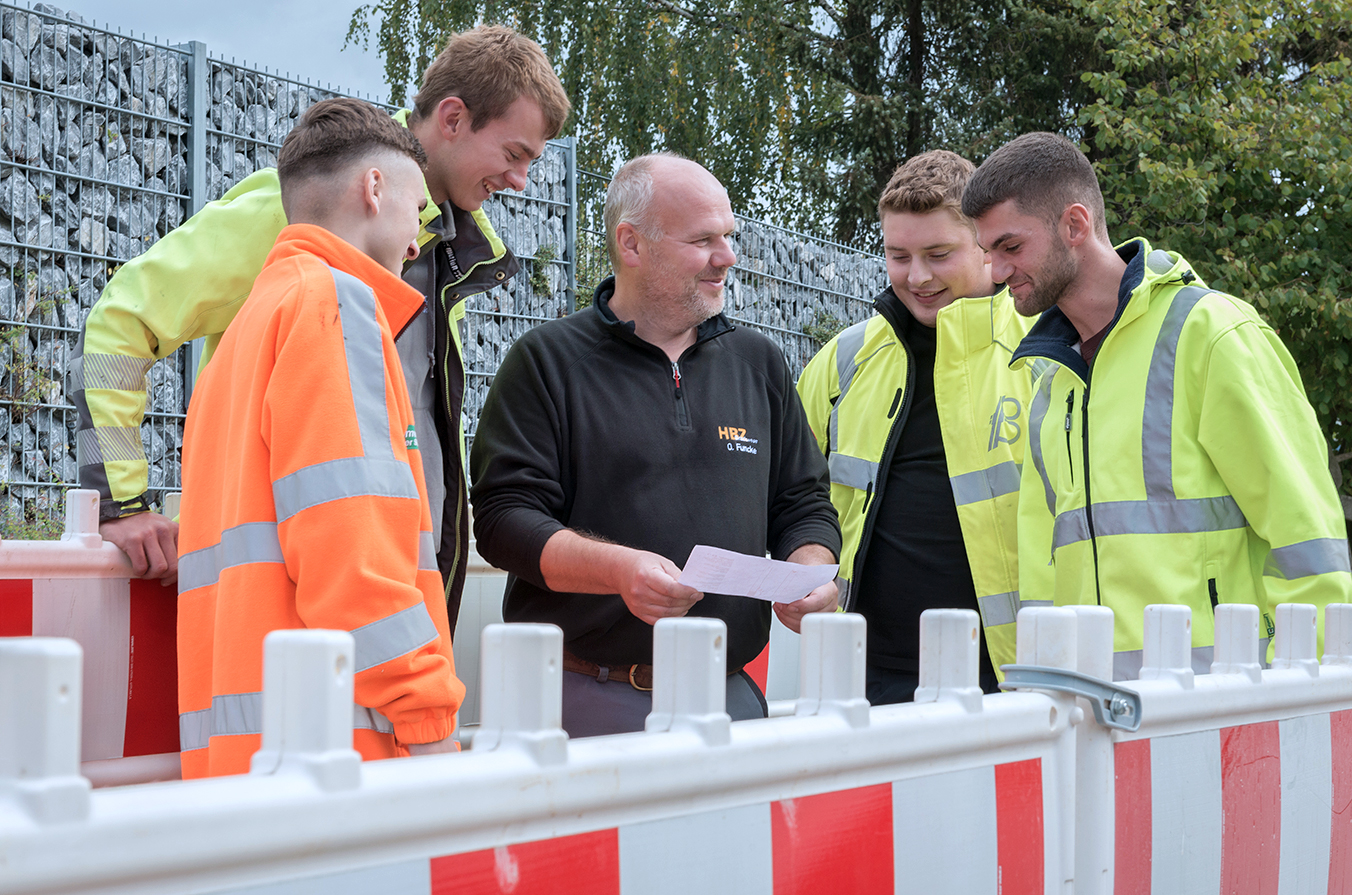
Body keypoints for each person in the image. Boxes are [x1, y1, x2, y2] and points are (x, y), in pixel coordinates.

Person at [72, 27, 570, 631]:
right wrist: (120, 503)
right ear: (454, 117)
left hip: (391, 591)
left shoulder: (451, 250)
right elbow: (121, 325)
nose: (520, 181)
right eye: (514, 154)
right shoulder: (304, 202)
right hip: (298, 599)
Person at [469, 153, 842, 737]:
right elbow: (503, 521)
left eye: (729, 236)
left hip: (729, 697)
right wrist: (619, 570)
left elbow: (803, 503)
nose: (728, 257)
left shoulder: (758, 363)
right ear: (631, 244)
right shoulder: (547, 363)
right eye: (703, 240)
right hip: (585, 699)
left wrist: (812, 571)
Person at [961, 131, 1352, 679]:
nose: (997, 272)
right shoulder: (1050, 382)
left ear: (1075, 226)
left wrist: (1303, 700)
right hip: (1095, 714)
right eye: (988, 253)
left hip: (1222, 712)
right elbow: (1044, 573)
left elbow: (1305, 534)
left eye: (1010, 247)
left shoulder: (1211, 334)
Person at [176, 98, 464, 778]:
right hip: (342, 756)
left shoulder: (244, 333)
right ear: (373, 189)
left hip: (243, 762)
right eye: (416, 209)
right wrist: (428, 722)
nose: (419, 240)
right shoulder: (335, 305)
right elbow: (355, 560)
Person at [797, 150, 1039, 705]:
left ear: (984, 245)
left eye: (938, 253)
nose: (918, 276)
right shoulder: (843, 362)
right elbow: (788, 496)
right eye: (898, 255)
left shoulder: (1045, 357)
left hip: (1009, 675)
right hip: (862, 677)